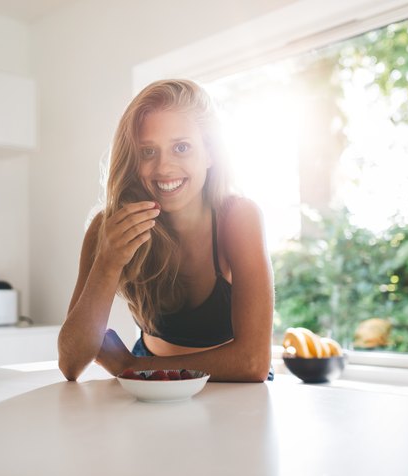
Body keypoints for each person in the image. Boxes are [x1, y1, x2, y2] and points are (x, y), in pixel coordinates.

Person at [58, 79, 274, 382]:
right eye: (148, 152)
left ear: (210, 152)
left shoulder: (238, 217)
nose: (164, 168)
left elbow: (252, 363)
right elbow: (71, 363)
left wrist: (128, 367)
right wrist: (108, 263)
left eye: (181, 147)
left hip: (227, 380)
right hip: (148, 375)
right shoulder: (107, 228)